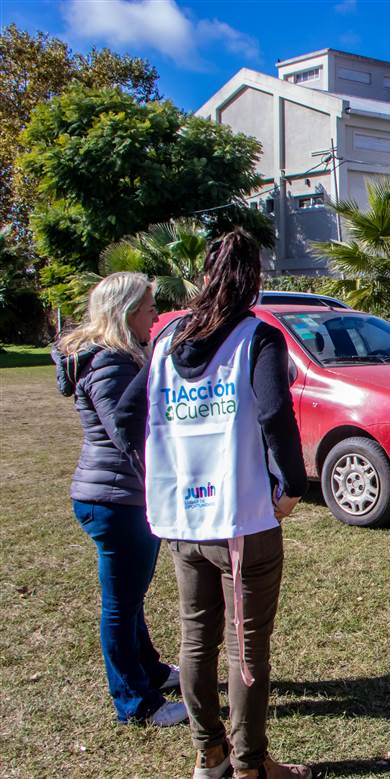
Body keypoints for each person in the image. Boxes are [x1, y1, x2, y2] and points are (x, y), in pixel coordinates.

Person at [114, 229, 310, 779]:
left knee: (195, 639)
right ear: (256, 282)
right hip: (243, 520)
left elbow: (128, 415)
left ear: (204, 276)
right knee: (246, 651)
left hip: (183, 520)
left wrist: (154, 471)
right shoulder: (256, 336)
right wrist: (292, 488)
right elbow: (275, 415)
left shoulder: (167, 334)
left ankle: (210, 753)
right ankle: (247, 764)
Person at [52, 272, 187, 727]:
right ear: (127, 311)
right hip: (116, 500)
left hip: (118, 497)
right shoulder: (112, 363)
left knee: (130, 598)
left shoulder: (119, 357)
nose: (154, 314)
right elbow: (130, 434)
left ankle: (149, 671)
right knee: (120, 606)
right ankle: (136, 702)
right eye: (149, 307)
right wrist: (166, 482)